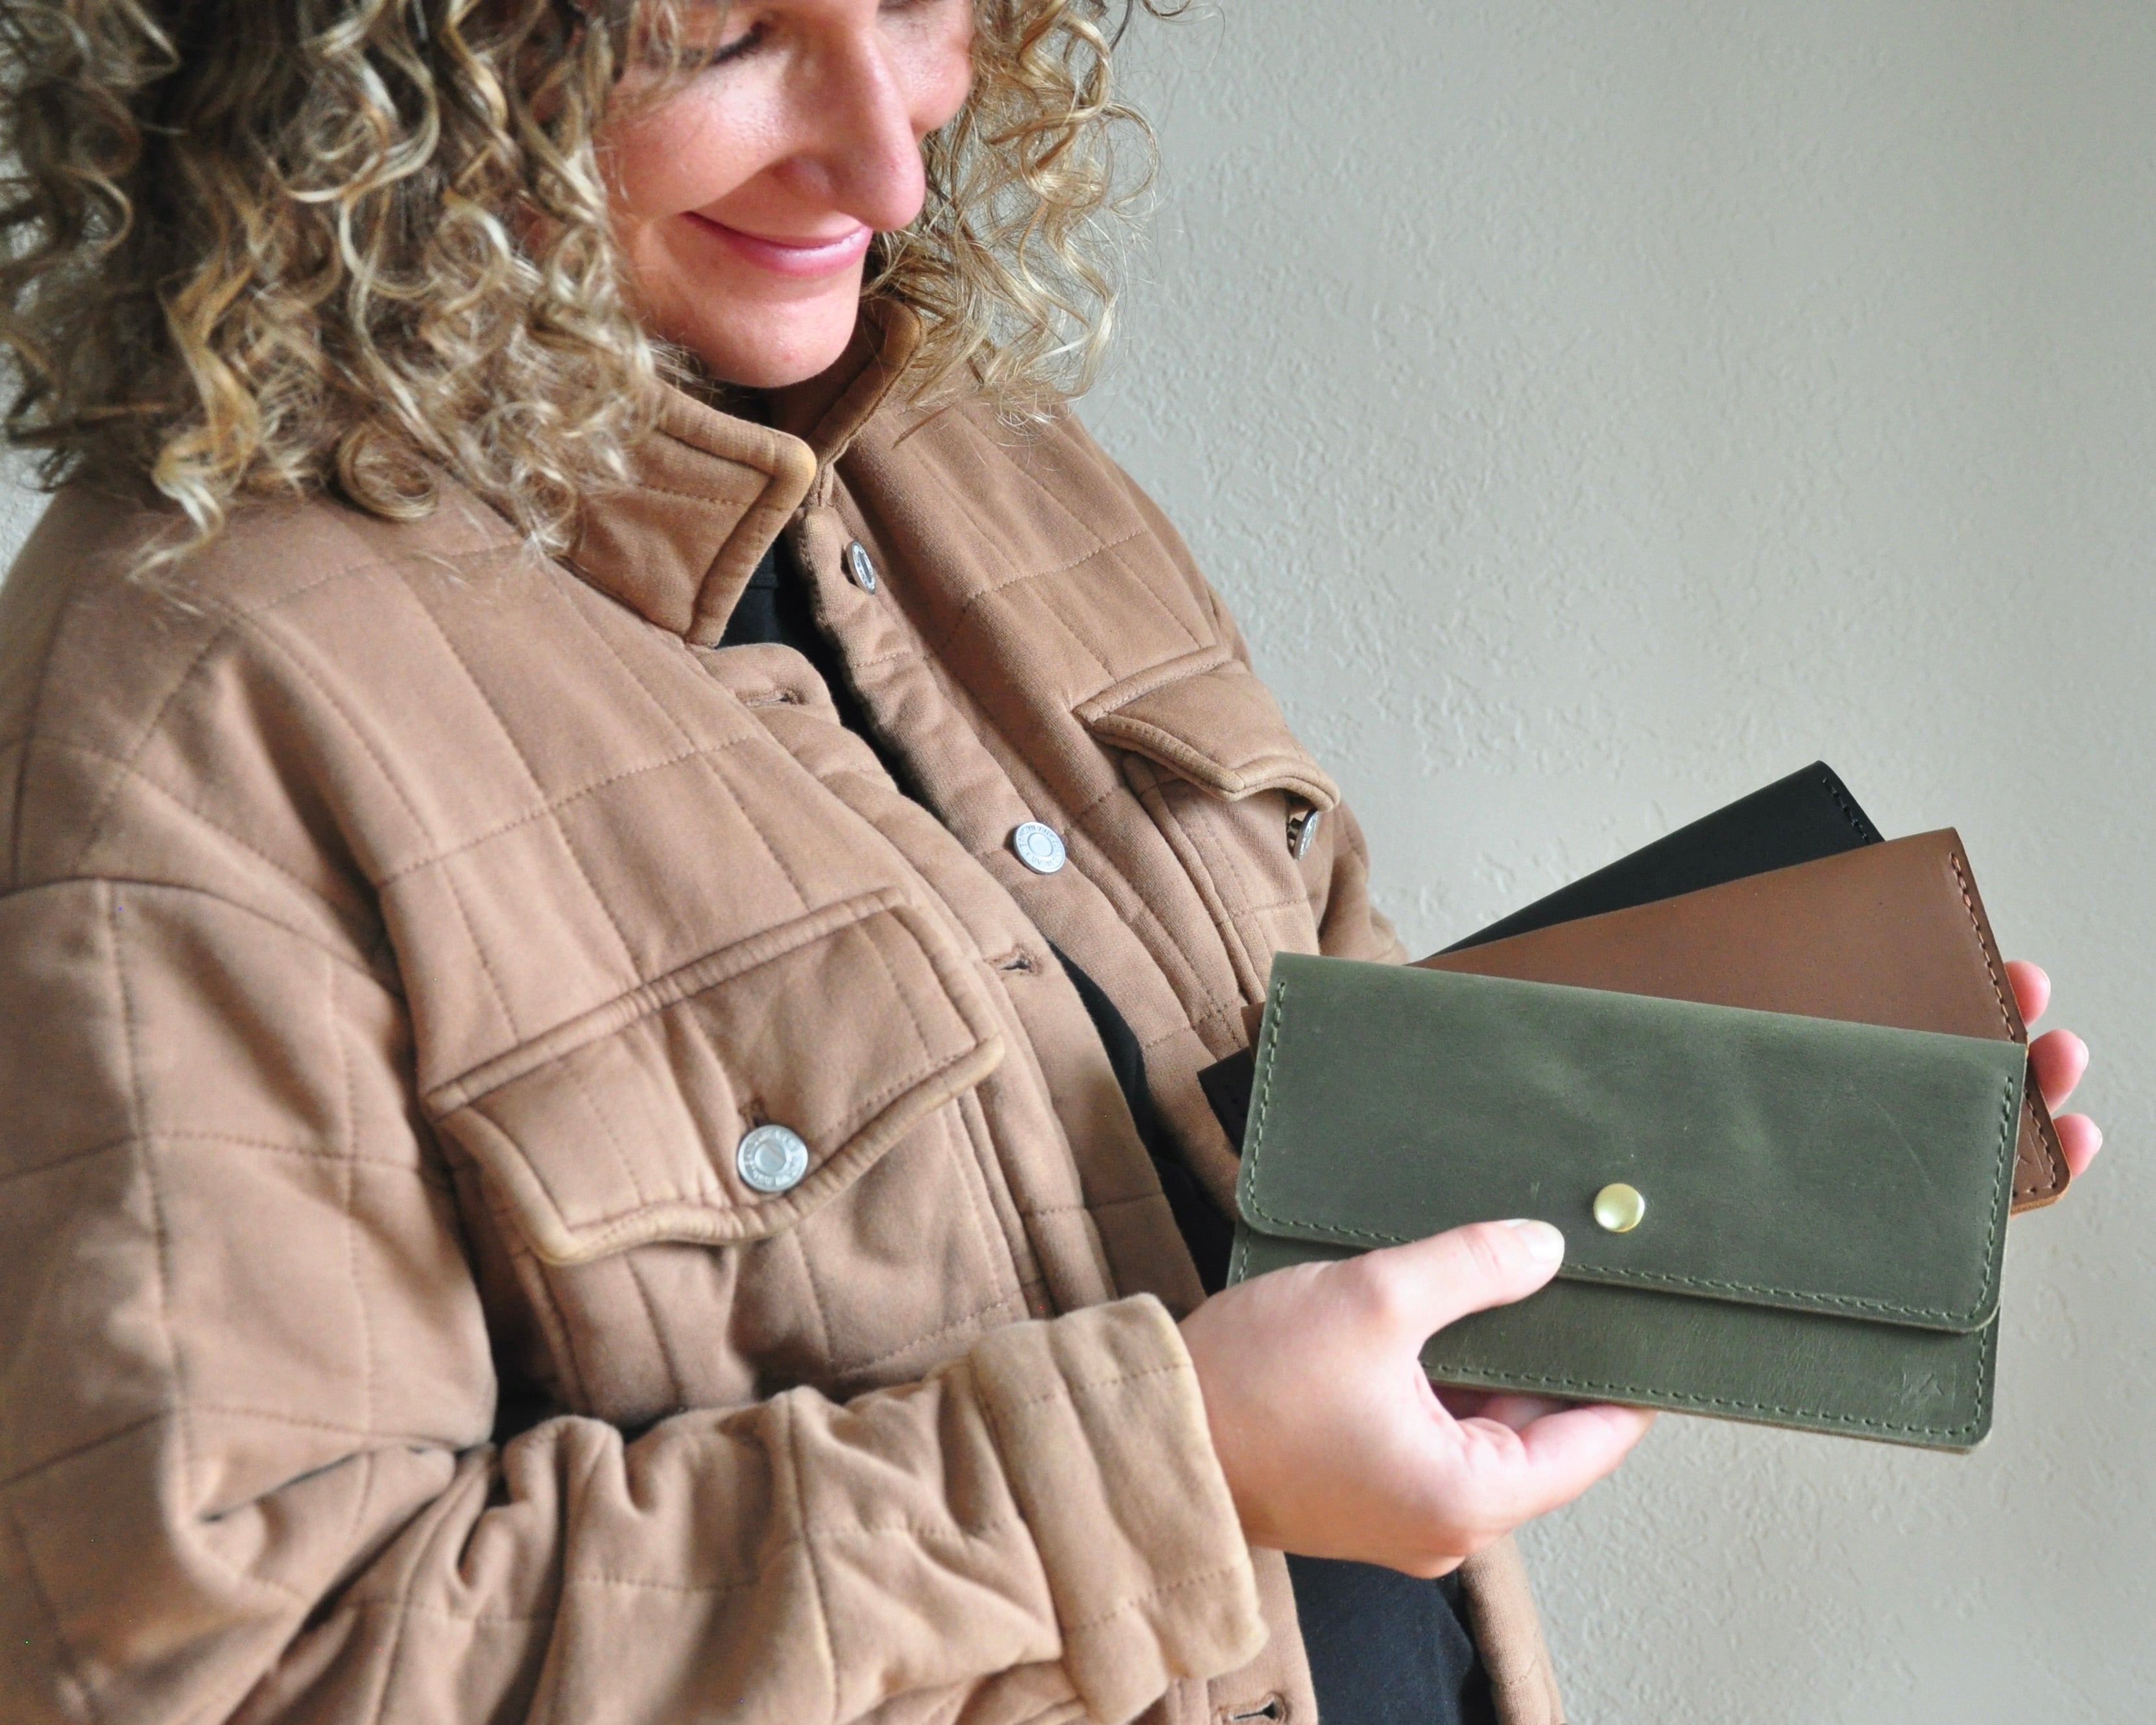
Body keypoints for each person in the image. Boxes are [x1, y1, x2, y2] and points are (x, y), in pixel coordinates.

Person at [0, 3, 2100, 1723]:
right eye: (728, 40)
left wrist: (1711, 1150)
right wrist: (1166, 1456)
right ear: (369, 68)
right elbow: (230, 1669)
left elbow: (1276, 1149)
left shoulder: (993, 461)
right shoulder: (192, 692)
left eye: (920, 5)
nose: (892, 165)